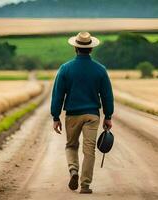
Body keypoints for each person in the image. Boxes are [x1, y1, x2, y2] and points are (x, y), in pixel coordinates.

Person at [50, 32, 114, 194]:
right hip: (92, 116)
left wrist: (56, 116)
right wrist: (108, 116)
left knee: (71, 146)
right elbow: (107, 95)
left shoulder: (65, 68)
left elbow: (58, 94)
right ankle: (85, 185)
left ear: (75, 48)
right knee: (89, 151)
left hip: (72, 115)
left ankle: (73, 170)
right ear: (91, 49)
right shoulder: (100, 70)